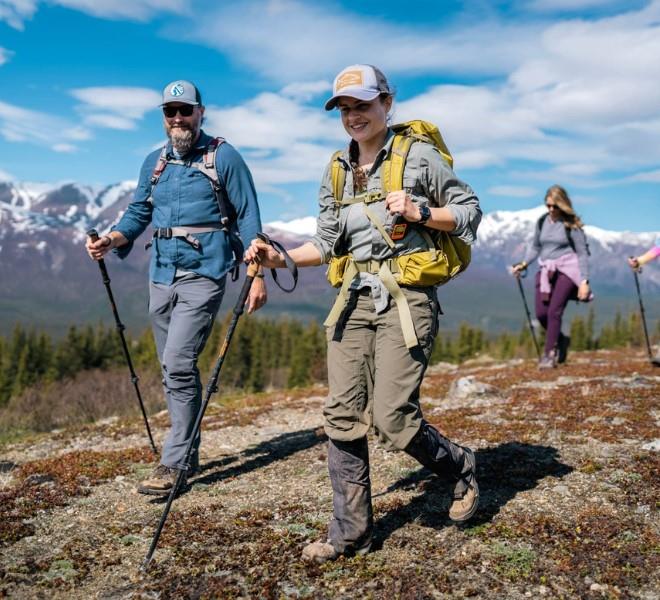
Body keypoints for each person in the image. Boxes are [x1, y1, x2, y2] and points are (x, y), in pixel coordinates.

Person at [246, 64, 482, 563]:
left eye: (362, 105)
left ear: (386, 103)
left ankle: (460, 465)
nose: (353, 116)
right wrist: (278, 256)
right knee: (342, 414)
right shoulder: (336, 169)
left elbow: (469, 211)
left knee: (393, 419)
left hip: (407, 300)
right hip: (352, 300)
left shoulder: (419, 158)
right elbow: (328, 244)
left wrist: (420, 213)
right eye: (344, 108)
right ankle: (351, 532)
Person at [86, 80, 267, 495]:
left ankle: (173, 463)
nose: (178, 119)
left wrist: (257, 275)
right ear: (163, 117)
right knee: (173, 368)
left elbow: (249, 218)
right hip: (161, 272)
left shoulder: (224, 157)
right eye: (170, 112)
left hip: (206, 271)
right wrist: (111, 240)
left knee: (179, 362)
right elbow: (138, 212)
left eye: (185, 110)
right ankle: (189, 450)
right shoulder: (155, 162)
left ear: (200, 112)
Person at [512, 185, 591, 368]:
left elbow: (583, 254)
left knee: (555, 311)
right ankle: (561, 340)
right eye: (548, 205)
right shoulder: (542, 222)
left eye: (555, 206)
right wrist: (524, 264)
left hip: (568, 270)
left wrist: (584, 281)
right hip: (545, 269)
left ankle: (549, 355)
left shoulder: (571, 225)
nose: (551, 210)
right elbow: (535, 247)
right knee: (541, 314)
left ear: (563, 205)